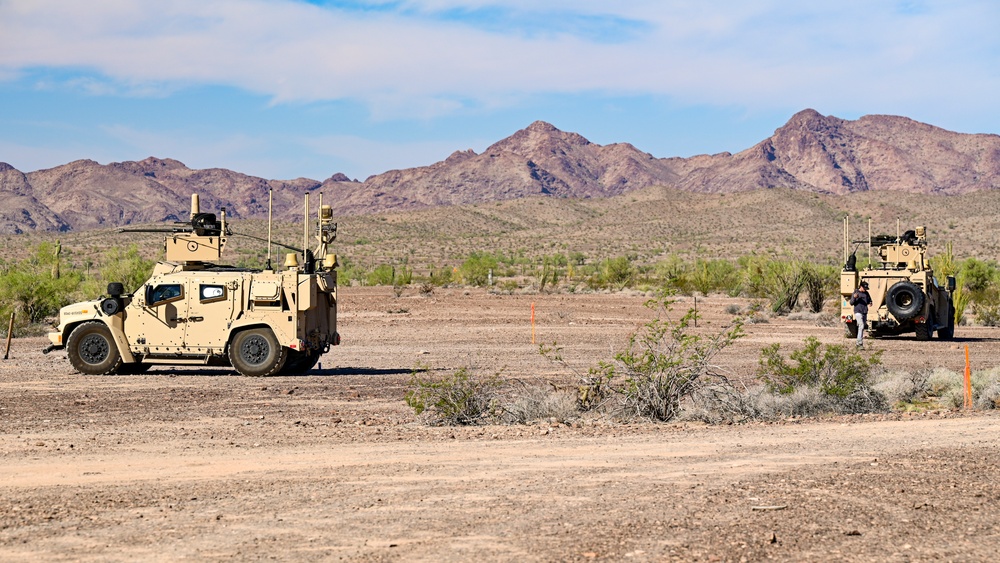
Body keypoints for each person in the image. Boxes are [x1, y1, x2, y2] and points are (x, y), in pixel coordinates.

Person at [850, 281, 873, 348]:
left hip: (864, 312)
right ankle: (859, 343)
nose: (865, 289)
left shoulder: (866, 293)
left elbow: (869, 300)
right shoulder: (856, 292)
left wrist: (870, 303)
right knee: (861, 325)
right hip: (858, 312)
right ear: (861, 287)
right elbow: (851, 303)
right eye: (864, 288)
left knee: (862, 327)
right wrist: (854, 297)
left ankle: (859, 342)